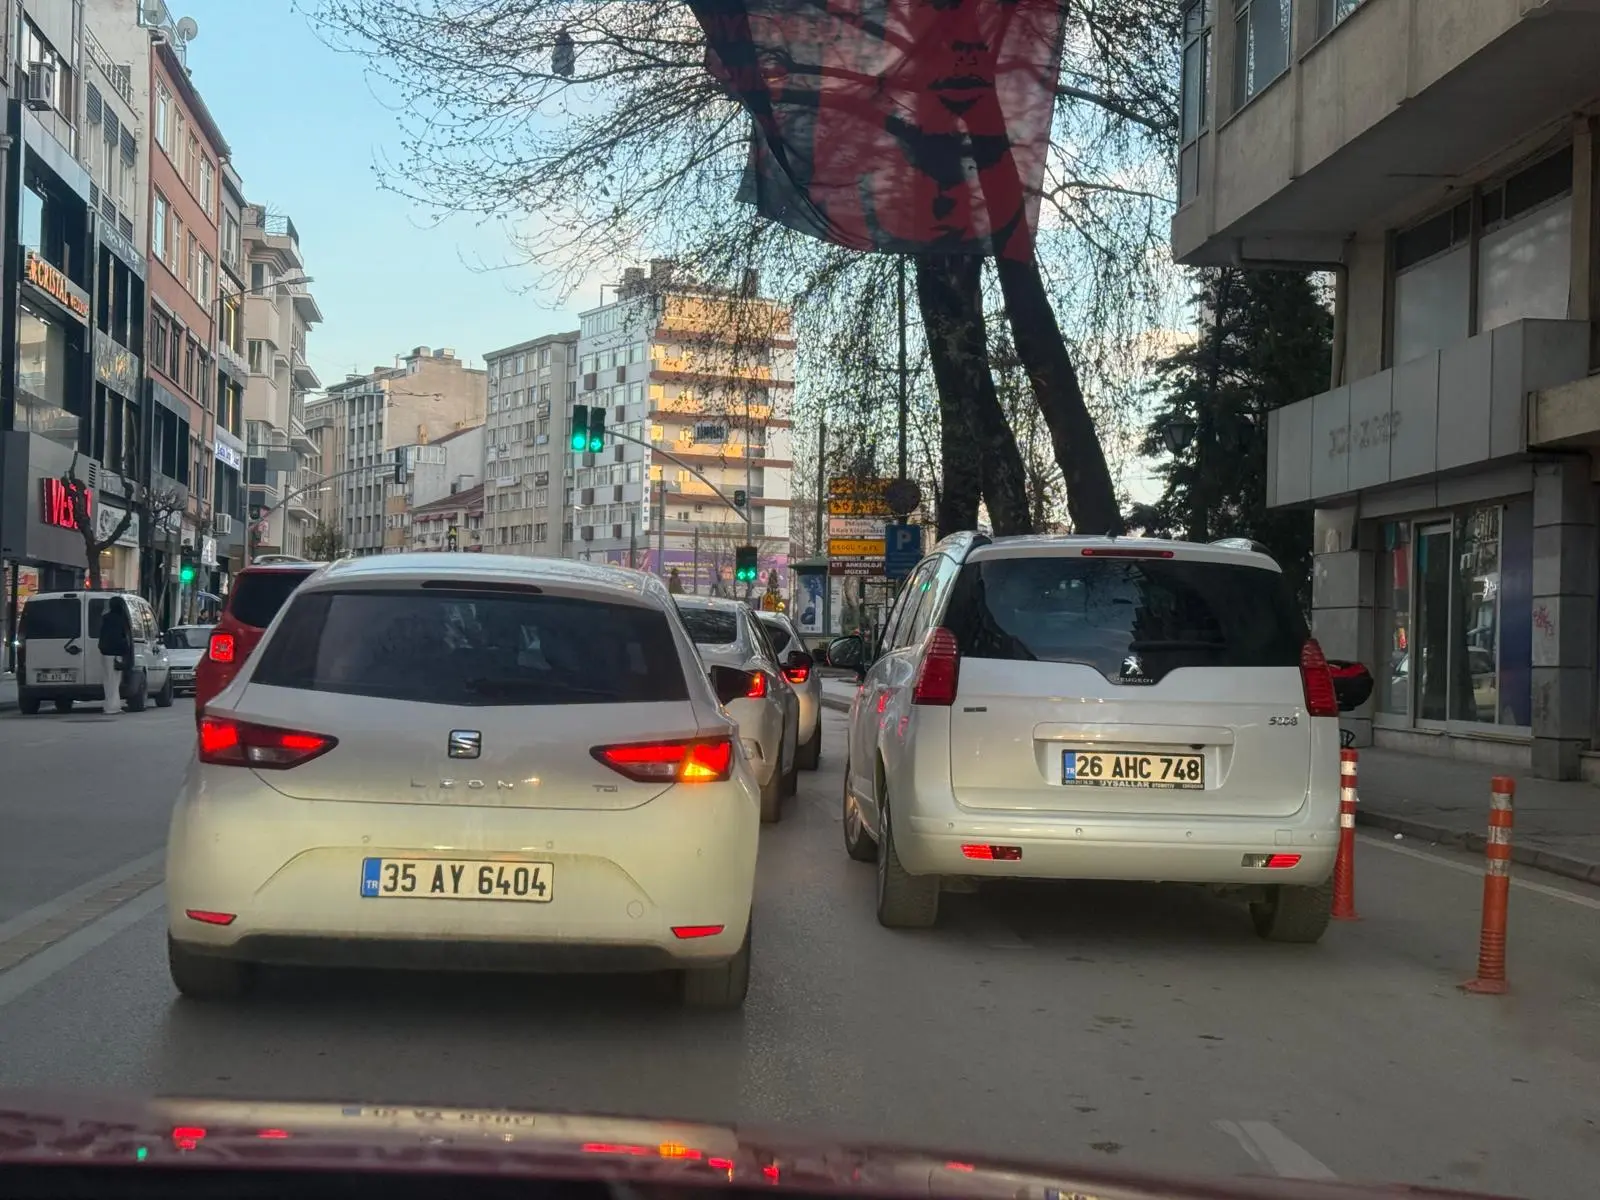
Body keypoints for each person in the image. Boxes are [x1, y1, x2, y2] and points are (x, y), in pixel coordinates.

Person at [97, 595, 133, 716]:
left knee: (108, 680)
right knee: (115, 680)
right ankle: (113, 707)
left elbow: (103, 635)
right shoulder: (122, 619)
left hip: (105, 653)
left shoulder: (106, 618)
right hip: (117, 653)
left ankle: (109, 705)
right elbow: (125, 637)